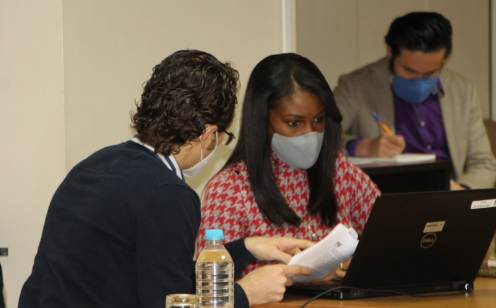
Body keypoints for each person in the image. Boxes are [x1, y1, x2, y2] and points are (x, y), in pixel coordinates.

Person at [18, 50, 312, 308]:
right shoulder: (167, 193)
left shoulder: (96, 165)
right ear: (209, 134)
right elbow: (171, 302)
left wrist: (245, 248)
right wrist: (246, 292)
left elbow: (161, 270)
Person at [333, 12, 496, 256]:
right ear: (390, 53)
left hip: (463, 198)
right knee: (475, 242)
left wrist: (464, 191)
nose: (420, 80)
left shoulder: (462, 90)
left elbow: (485, 163)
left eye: (430, 74)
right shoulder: (357, 86)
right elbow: (322, 139)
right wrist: (358, 147)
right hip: (402, 204)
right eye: (410, 71)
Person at [197, 53, 380, 278]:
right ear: (262, 119)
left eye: (319, 120)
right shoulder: (230, 187)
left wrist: (351, 264)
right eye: (294, 123)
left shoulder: (339, 170)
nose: (310, 133)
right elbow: (211, 281)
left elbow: (389, 234)